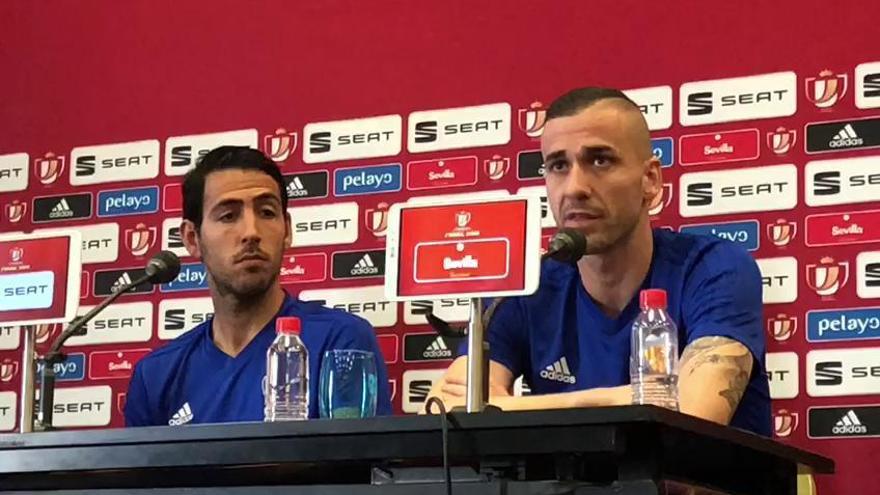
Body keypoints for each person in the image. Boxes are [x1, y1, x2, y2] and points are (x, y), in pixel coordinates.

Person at [428, 87, 770, 436]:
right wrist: (630, 400)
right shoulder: (524, 288)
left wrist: (512, 407)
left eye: (600, 160)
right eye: (558, 165)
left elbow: (695, 413)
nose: (575, 187)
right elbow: (447, 406)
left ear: (650, 180)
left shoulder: (714, 268)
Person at [125, 146, 392, 426]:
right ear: (192, 238)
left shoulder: (339, 343)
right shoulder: (157, 375)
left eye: (266, 212)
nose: (251, 232)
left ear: (287, 230)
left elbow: (360, 465)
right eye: (228, 216)